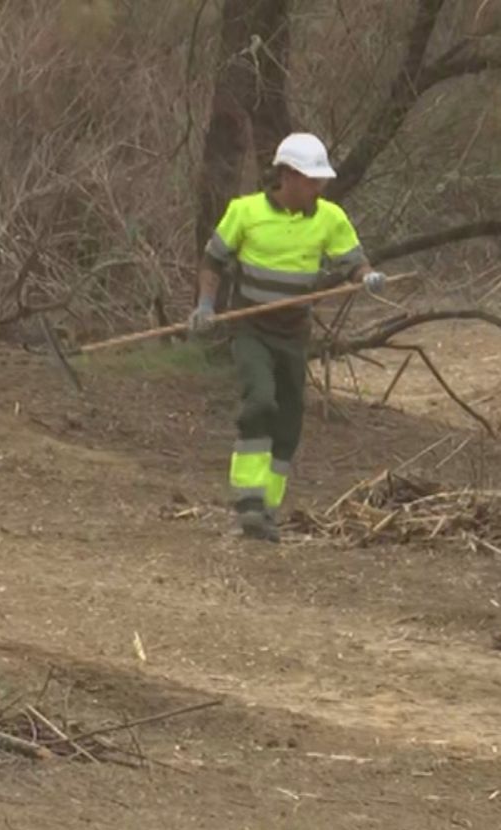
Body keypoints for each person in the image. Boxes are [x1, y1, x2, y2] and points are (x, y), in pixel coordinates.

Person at [190, 133, 388, 541]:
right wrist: (206, 306)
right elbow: (213, 261)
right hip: (251, 331)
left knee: (289, 422)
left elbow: (353, 262)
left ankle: (267, 510)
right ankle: (247, 501)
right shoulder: (244, 212)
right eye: (311, 180)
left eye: (320, 180)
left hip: (293, 335)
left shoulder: (329, 218)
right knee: (260, 400)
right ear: (287, 176)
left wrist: (367, 277)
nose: (319, 187)